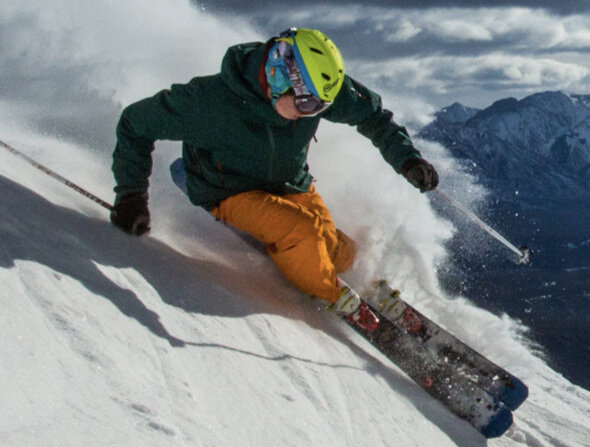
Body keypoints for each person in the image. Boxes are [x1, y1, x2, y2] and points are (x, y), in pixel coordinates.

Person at [109, 27, 438, 316]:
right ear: (281, 75)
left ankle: (358, 281)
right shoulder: (209, 103)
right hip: (228, 190)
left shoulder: (315, 86)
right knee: (301, 230)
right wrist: (131, 195)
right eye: (309, 106)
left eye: (322, 107)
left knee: (336, 248)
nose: (314, 113)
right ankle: (331, 293)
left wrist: (407, 159)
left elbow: (371, 115)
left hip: (290, 183)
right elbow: (135, 124)